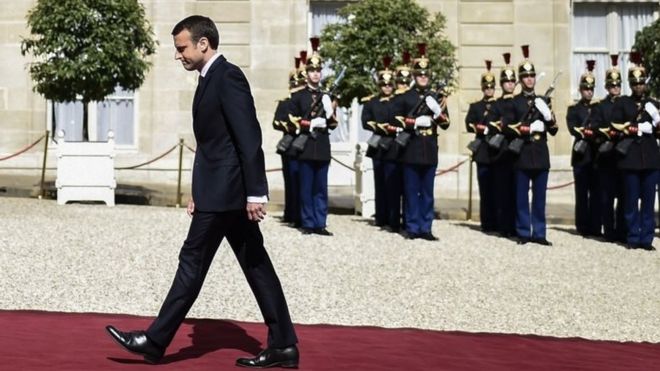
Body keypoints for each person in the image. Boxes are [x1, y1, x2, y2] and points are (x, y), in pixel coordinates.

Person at [105, 16, 299, 368]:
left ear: (203, 44)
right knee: (257, 266)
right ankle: (284, 345)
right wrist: (199, 190)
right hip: (218, 192)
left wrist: (256, 192)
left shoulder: (228, 77)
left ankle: (155, 340)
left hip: (228, 195)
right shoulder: (208, 79)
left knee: (191, 263)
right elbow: (212, 145)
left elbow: (248, 139)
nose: (178, 55)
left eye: (182, 48)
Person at [392, 43, 450, 240]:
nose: (423, 77)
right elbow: (396, 119)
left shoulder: (437, 98)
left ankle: (426, 228)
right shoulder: (405, 97)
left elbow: (446, 123)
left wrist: (437, 112)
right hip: (411, 147)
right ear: (414, 76)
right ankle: (412, 227)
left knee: (427, 193)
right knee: (411, 191)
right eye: (419, 74)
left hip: (430, 148)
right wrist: (415, 121)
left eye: (426, 74)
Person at [505, 45, 558, 246]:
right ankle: (523, 232)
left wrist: (548, 116)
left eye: (532, 76)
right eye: (526, 76)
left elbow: (553, 129)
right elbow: (507, 128)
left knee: (539, 198)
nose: (529, 79)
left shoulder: (543, 101)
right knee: (521, 197)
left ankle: (539, 233)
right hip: (522, 153)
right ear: (520, 79)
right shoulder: (514, 102)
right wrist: (528, 128)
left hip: (540, 154)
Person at [287, 37, 337, 236]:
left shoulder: (326, 96)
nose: (315, 74)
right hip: (305, 146)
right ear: (306, 73)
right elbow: (292, 120)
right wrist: (309, 124)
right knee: (306, 188)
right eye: (312, 71)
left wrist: (329, 113)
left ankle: (320, 222)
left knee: (321, 188)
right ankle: (307, 222)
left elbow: (333, 123)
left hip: (322, 146)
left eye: (318, 71)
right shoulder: (298, 96)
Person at [610, 51, 660, 251]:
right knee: (631, 201)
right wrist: (637, 128)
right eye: (635, 83)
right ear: (631, 85)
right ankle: (632, 236)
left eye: (641, 83)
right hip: (630, 158)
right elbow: (615, 127)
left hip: (650, 159)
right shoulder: (623, 103)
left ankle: (646, 238)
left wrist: (655, 120)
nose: (639, 86)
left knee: (648, 202)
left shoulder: (653, 104)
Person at [591, 54, 626, 243]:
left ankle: (622, 230)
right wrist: (609, 133)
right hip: (606, 157)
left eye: (618, 85)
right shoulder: (600, 106)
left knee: (624, 196)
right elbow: (594, 127)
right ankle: (609, 231)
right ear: (606, 87)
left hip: (624, 157)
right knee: (607, 197)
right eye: (612, 85)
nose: (615, 88)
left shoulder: (627, 103)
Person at [361, 56, 399, 231]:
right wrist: (378, 126)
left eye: (389, 84)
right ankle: (381, 217)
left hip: (394, 146)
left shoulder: (398, 101)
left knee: (393, 186)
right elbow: (365, 120)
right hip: (378, 147)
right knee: (380, 184)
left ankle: (393, 219)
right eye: (384, 85)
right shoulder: (372, 102)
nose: (387, 87)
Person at [566, 60, 601, 237]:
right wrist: (586, 131)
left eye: (591, 88)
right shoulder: (574, 109)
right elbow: (572, 128)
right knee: (581, 194)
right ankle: (582, 226)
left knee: (596, 193)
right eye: (586, 88)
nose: (589, 91)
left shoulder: (598, 108)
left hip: (595, 155)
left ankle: (595, 226)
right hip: (581, 156)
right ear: (580, 90)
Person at [485, 52, 518, 238]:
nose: (510, 84)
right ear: (502, 84)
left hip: (518, 153)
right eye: (506, 82)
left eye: (512, 81)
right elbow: (492, 125)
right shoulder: (496, 105)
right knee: (502, 192)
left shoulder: (520, 102)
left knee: (517, 193)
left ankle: (515, 226)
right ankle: (503, 226)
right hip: (501, 154)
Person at [465, 60, 497, 233]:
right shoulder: (476, 106)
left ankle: (498, 221)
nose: (489, 89)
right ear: (482, 88)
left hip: (497, 152)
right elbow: (468, 123)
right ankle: (487, 223)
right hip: (483, 152)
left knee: (498, 189)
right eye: (486, 87)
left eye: (491, 87)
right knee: (485, 190)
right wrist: (480, 128)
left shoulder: (500, 105)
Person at [274, 55, 305, 228]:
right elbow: (277, 122)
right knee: (291, 181)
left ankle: (301, 215)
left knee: (302, 182)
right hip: (290, 144)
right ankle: (291, 213)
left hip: (305, 144)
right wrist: (290, 125)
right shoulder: (286, 103)